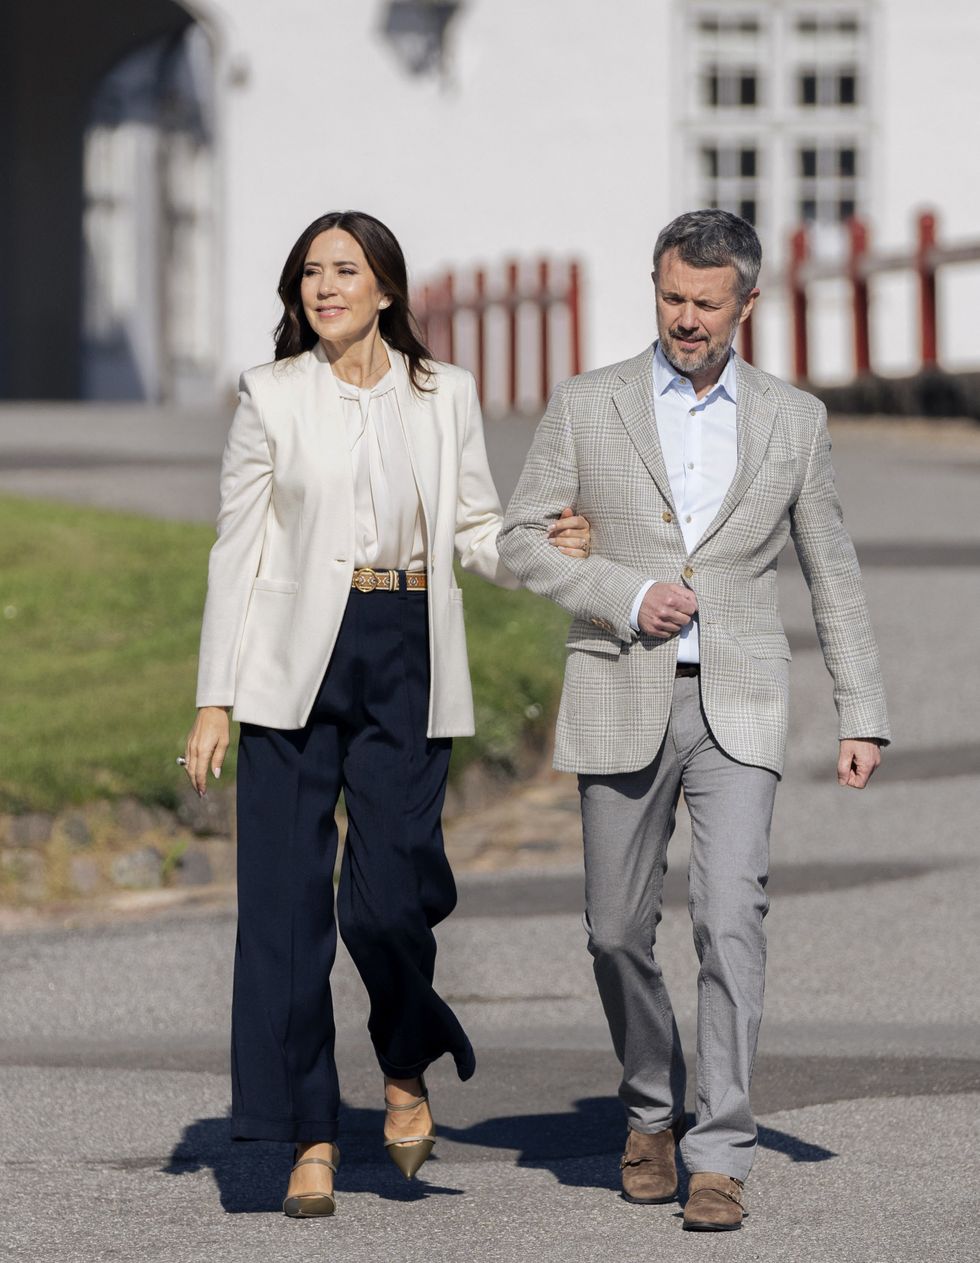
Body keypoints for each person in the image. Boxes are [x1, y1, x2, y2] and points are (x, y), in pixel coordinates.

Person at [182, 210, 591, 1218]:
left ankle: (404, 1056)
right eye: (310, 274)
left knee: (390, 897)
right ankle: (310, 1134)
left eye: (344, 271)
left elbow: (478, 531)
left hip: (404, 645)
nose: (324, 288)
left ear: (385, 290)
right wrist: (213, 699)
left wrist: (547, 551)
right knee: (282, 917)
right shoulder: (269, 397)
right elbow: (235, 551)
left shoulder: (441, 393)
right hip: (291, 667)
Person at [498, 209, 889, 1232]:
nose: (683, 318)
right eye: (670, 297)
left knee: (728, 918)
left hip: (739, 703)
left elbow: (829, 572)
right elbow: (521, 541)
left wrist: (861, 711)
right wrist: (623, 592)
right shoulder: (589, 405)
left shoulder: (791, 420)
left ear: (745, 306)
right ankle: (646, 1108)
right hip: (618, 685)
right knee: (614, 931)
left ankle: (717, 1151)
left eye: (704, 304)